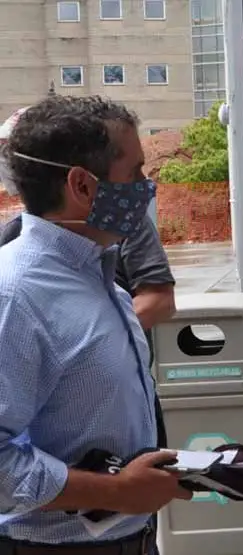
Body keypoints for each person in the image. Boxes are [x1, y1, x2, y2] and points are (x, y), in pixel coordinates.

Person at [0, 95, 191, 553]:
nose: (147, 187)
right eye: (135, 173)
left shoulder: (99, 276)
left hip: (130, 538)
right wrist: (116, 493)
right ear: (82, 186)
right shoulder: (15, 297)